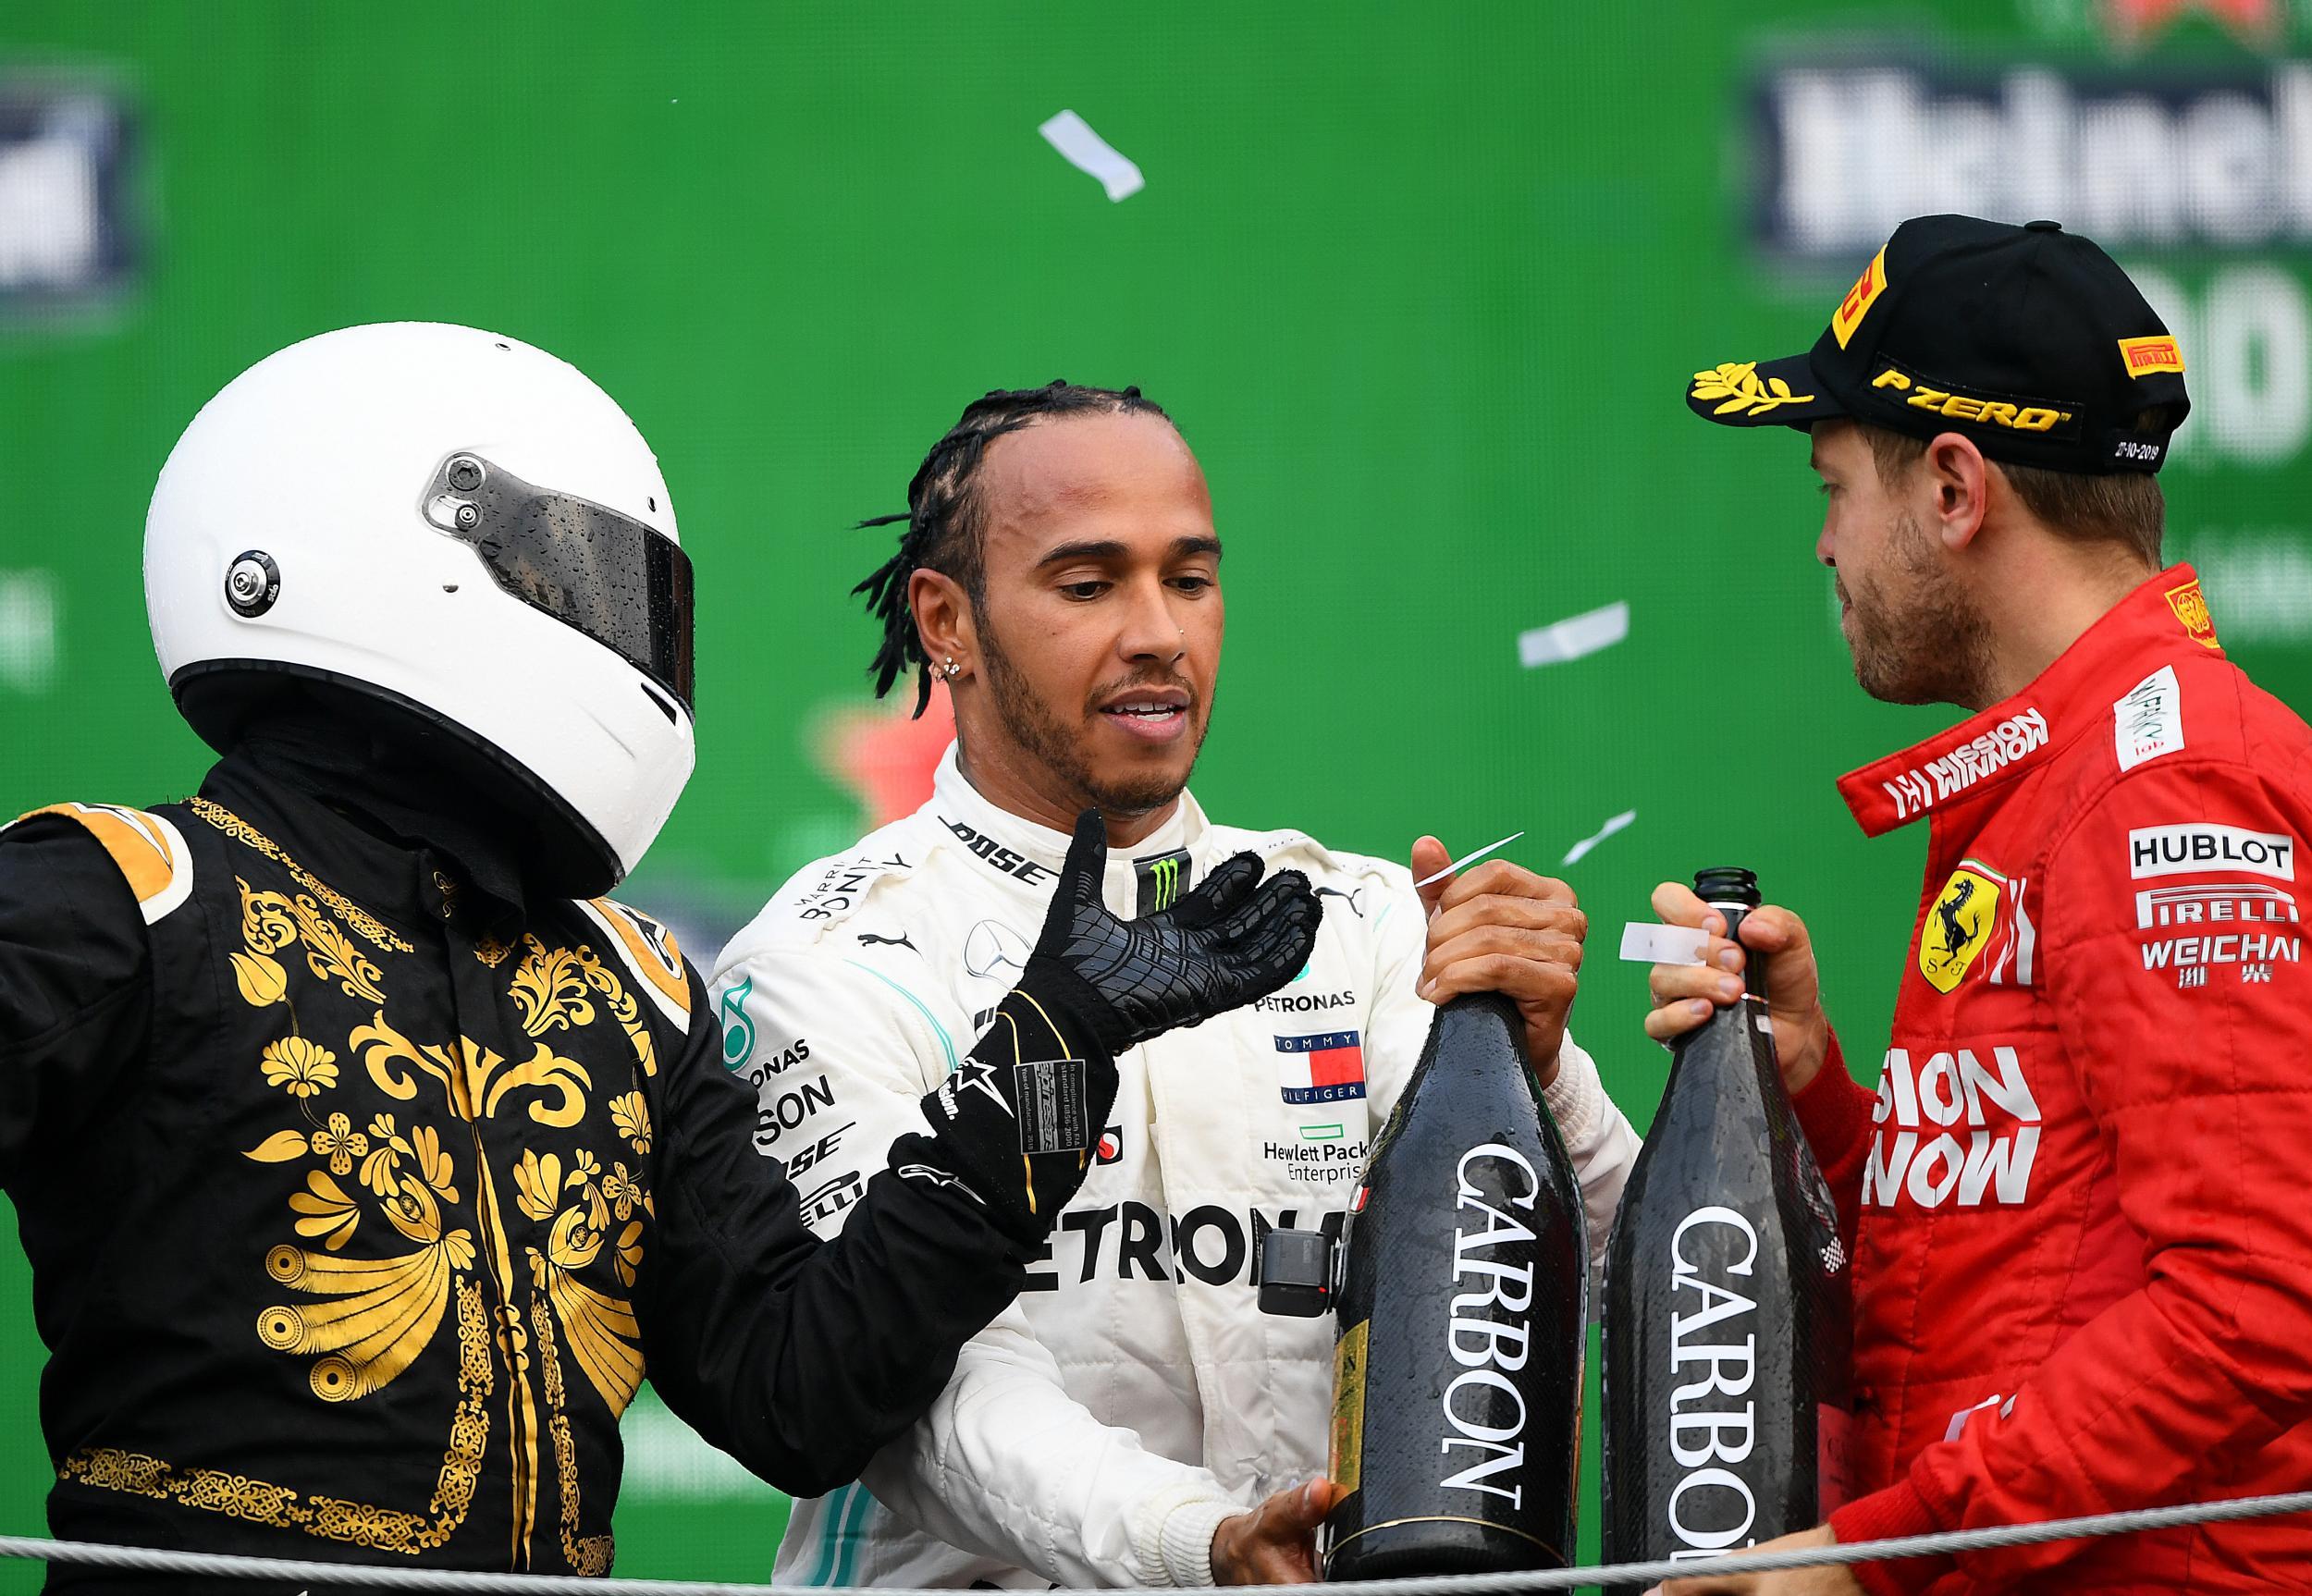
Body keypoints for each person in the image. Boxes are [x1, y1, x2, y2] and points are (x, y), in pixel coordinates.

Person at [0, 327, 1319, 1591]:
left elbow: (802, 1394)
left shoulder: (630, 989)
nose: (621, 625)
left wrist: (1058, 1038)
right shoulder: (125, 896)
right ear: (357, 544)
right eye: (574, 569)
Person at [711, 381, 1642, 1590]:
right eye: (1089, 584)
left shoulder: (1358, 921)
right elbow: (921, 1400)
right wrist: (1197, 1541)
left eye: (1189, 579)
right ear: (947, 622)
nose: (1158, 631)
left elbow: (1628, 1290)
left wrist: (1545, 1065)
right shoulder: (824, 959)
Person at [1648, 215, 2312, 1594]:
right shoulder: (2060, 775)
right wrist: (1822, 1100)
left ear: (1954, 489)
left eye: (1835, 488)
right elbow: (1994, 1279)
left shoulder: (2166, 783)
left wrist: (1875, 1556)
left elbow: (2263, 1300)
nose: (1825, 547)